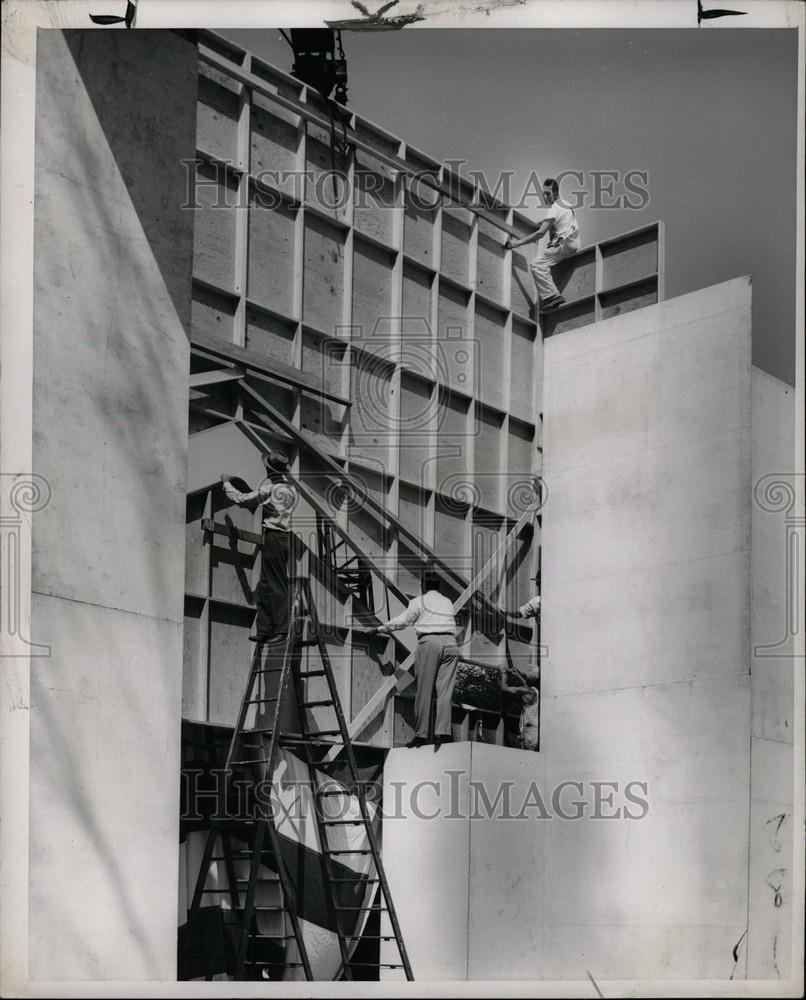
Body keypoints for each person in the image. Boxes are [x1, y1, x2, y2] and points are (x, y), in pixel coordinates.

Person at [366, 569, 459, 748]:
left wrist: (378, 629)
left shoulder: (418, 601)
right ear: (438, 586)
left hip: (430, 643)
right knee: (445, 692)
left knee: (424, 690)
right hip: (451, 644)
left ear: (422, 585)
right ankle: (443, 734)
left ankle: (421, 735)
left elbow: (402, 622)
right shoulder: (447, 602)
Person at [220, 449, 298, 643]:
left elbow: (242, 499)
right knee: (265, 584)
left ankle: (281, 629)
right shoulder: (291, 490)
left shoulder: (271, 489)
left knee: (275, 585)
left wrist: (226, 482)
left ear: (271, 471)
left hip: (274, 537)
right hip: (283, 538)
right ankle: (265, 629)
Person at [505, 178, 581, 311]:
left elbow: (540, 233)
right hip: (573, 242)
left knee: (537, 265)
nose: (545, 197)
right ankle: (552, 295)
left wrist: (517, 243)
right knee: (546, 261)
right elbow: (558, 224)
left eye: (548, 194)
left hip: (563, 243)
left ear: (556, 194)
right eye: (544, 194)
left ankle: (552, 296)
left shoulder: (554, 208)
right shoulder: (566, 204)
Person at [499, 666, 539, 751]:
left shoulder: (527, 691)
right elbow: (525, 684)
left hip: (529, 731)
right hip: (534, 729)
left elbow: (504, 688)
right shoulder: (535, 692)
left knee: (527, 754)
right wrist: (518, 675)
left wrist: (503, 673)